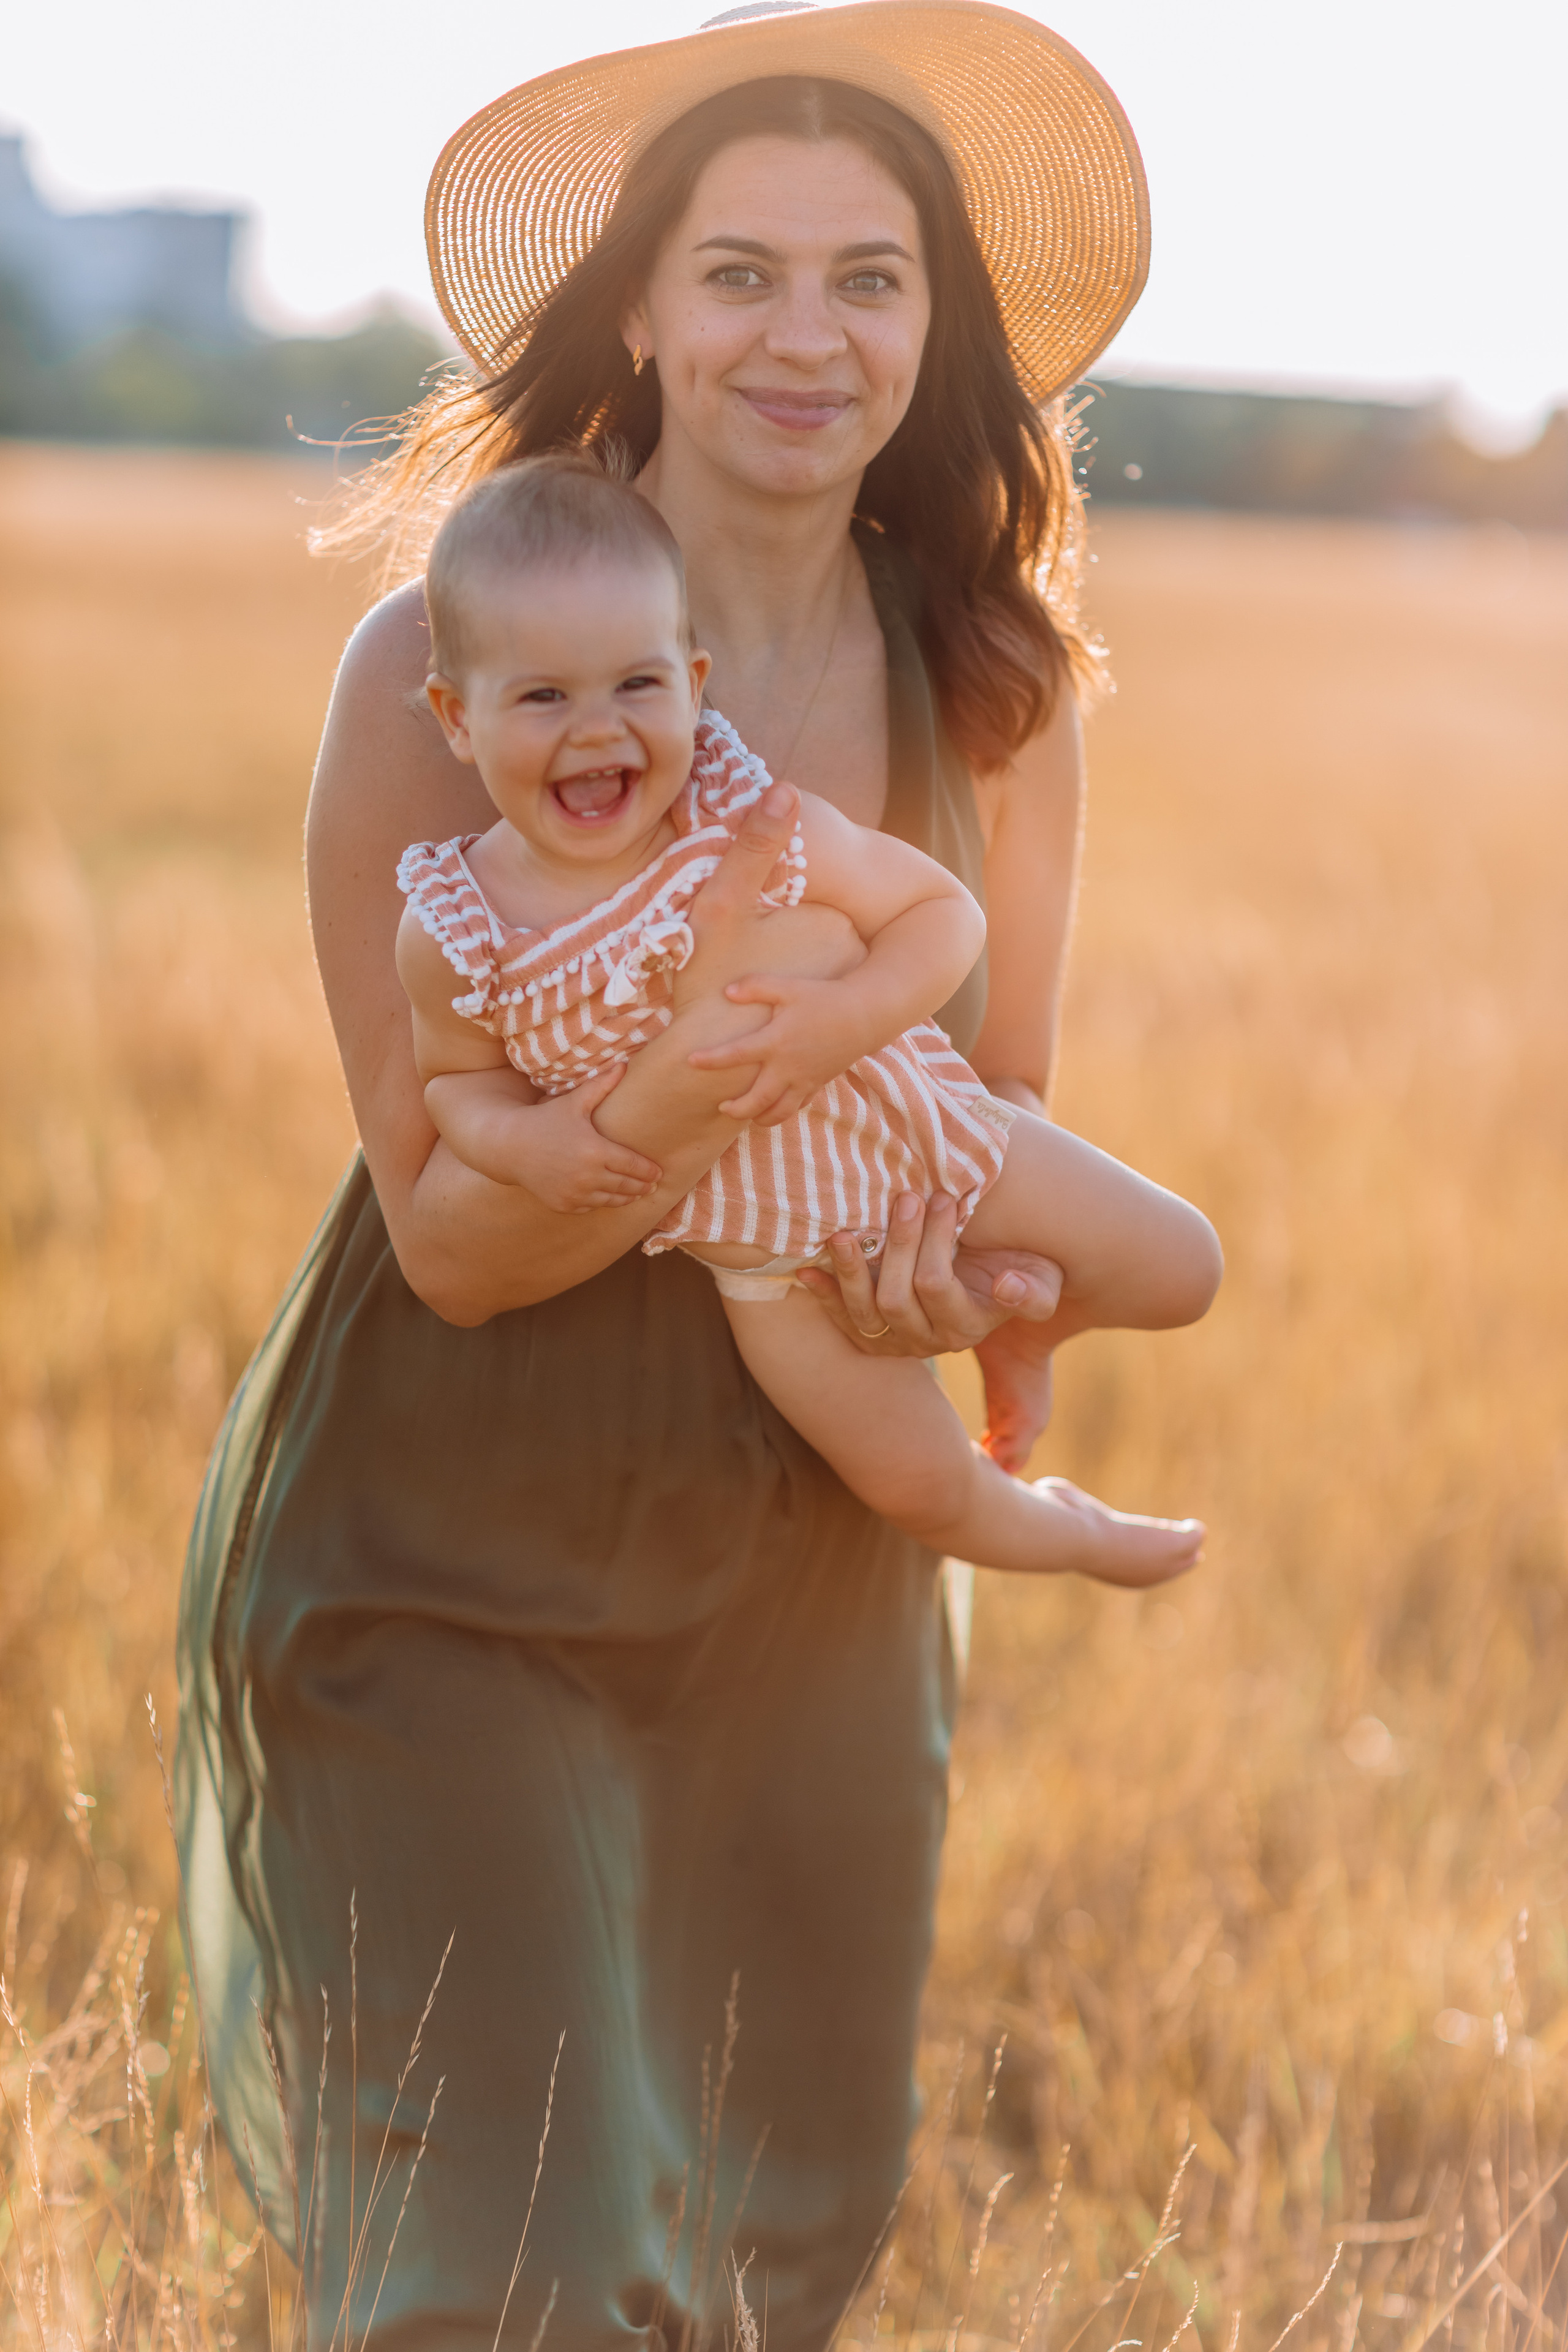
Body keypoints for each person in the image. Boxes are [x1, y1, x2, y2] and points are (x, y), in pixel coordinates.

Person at [175, 11, 1170, 2345]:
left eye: (869, 277)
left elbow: (995, 1125)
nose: (804, 337)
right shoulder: (441, 676)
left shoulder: (1000, 693)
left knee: (738, 2273)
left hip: (804, 1583)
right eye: (737, 272)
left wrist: (969, 1285)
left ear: (938, 333)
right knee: (503, 2269)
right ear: (636, 305)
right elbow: (449, 1236)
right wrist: (708, 1098)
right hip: (446, 1547)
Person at [399, 454, 1220, 1582]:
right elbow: (455, 1084)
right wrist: (523, 1142)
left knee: (1187, 1269)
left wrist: (843, 1022)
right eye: (543, 697)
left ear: (694, 684)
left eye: (637, 687)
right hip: (773, 1259)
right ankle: (1069, 1533)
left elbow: (943, 917)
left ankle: (1031, 1315)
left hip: (911, 1128)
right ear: (456, 717)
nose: (597, 730)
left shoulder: (753, 822)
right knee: (922, 1483)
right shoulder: (461, 923)